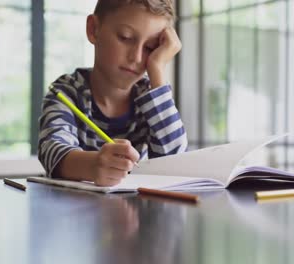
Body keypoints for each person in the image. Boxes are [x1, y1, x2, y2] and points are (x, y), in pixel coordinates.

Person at [38, 0, 188, 186]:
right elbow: (51, 151)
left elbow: (176, 164)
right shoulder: (67, 91)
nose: (137, 57)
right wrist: (94, 166)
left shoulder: (151, 98)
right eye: (125, 38)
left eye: (150, 48)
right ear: (94, 29)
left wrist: (157, 69)